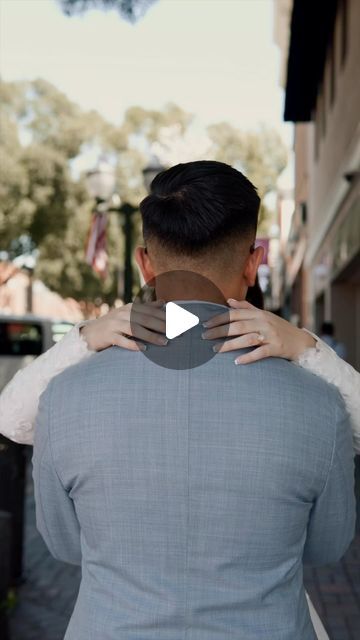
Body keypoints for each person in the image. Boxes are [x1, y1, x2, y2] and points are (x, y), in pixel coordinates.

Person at [28, 161, 355, 640]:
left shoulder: (61, 396)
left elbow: (64, 546)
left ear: (145, 264)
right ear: (253, 261)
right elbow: (327, 546)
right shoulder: (322, 404)